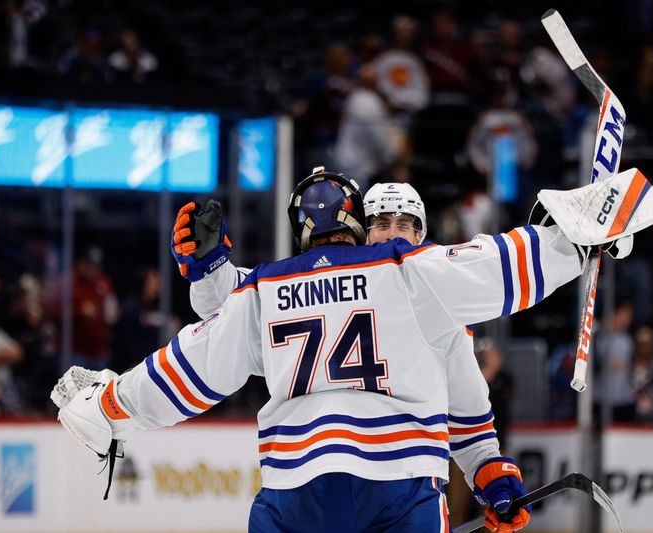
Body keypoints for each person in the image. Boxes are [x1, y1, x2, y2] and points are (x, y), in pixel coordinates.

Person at [51, 167, 653, 533]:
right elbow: (506, 266)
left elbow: (192, 367)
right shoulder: (412, 272)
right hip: (397, 491)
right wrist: (584, 232)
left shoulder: (266, 288)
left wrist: (109, 407)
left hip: (295, 497)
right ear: (359, 216)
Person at [177, 180, 523, 532]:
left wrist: (489, 470)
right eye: (381, 224)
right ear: (356, 228)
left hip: (372, 488)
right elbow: (228, 303)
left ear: (421, 235)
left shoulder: (435, 297)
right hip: (354, 487)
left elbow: (467, 413)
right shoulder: (300, 282)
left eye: (404, 225)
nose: (392, 236)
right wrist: (210, 270)